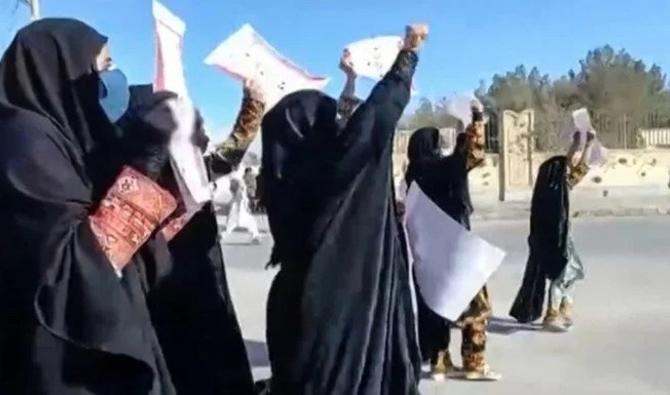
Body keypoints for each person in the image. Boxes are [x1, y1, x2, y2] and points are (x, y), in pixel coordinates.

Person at [261, 24, 428, 395]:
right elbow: (372, 123)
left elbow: (344, 134)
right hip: (343, 315)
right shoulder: (340, 179)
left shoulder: (282, 178)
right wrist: (409, 55)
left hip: (294, 311)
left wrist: (350, 81)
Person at [117, 79, 266, 394]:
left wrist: (253, 103)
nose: (203, 135)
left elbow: (230, 154)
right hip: (163, 317)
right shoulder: (129, 186)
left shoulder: (193, 174)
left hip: (206, 307)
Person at [405, 103, 502, 382]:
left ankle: (439, 361)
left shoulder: (413, 174)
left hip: (428, 254)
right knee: (478, 307)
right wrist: (477, 118)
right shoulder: (447, 168)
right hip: (457, 247)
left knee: (437, 305)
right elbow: (473, 153)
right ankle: (474, 362)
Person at [509, 132, 593, 332]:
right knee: (561, 274)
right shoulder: (553, 190)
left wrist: (583, 144)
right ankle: (552, 314)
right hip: (554, 240)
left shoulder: (555, 187)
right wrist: (580, 144)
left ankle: (564, 311)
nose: (568, 170)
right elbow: (574, 168)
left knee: (572, 273)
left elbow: (578, 169)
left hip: (563, 238)